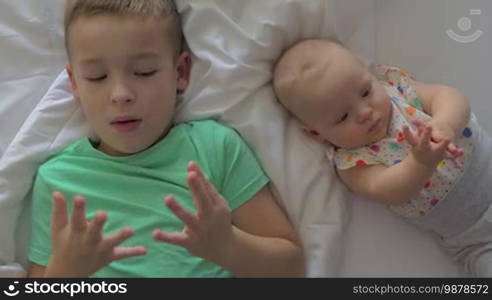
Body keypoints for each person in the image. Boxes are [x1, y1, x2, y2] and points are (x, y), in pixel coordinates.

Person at [27, 0, 304, 278]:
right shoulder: (58, 181)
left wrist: (229, 246)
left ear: (180, 72)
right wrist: (65, 273)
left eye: (144, 71)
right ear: (75, 83)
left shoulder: (214, 148)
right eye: (97, 76)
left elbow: (293, 269)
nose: (120, 94)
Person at [273, 38, 492, 277]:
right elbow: (390, 190)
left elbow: (450, 97)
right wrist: (420, 162)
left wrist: (444, 126)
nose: (365, 112)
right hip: (474, 237)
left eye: (365, 92)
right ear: (316, 133)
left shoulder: (396, 89)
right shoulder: (353, 162)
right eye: (343, 116)